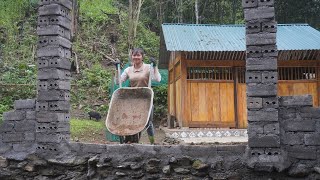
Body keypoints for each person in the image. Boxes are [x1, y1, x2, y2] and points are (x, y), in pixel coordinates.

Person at [114, 48, 161, 144]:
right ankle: (129, 141)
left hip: (146, 99)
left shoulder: (148, 67)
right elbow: (118, 81)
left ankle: (152, 142)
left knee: (148, 122)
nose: (136, 57)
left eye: (138, 55)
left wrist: (155, 66)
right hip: (133, 100)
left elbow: (157, 79)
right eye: (134, 55)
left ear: (142, 57)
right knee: (130, 120)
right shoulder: (128, 70)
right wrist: (116, 70)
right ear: (132, 57)